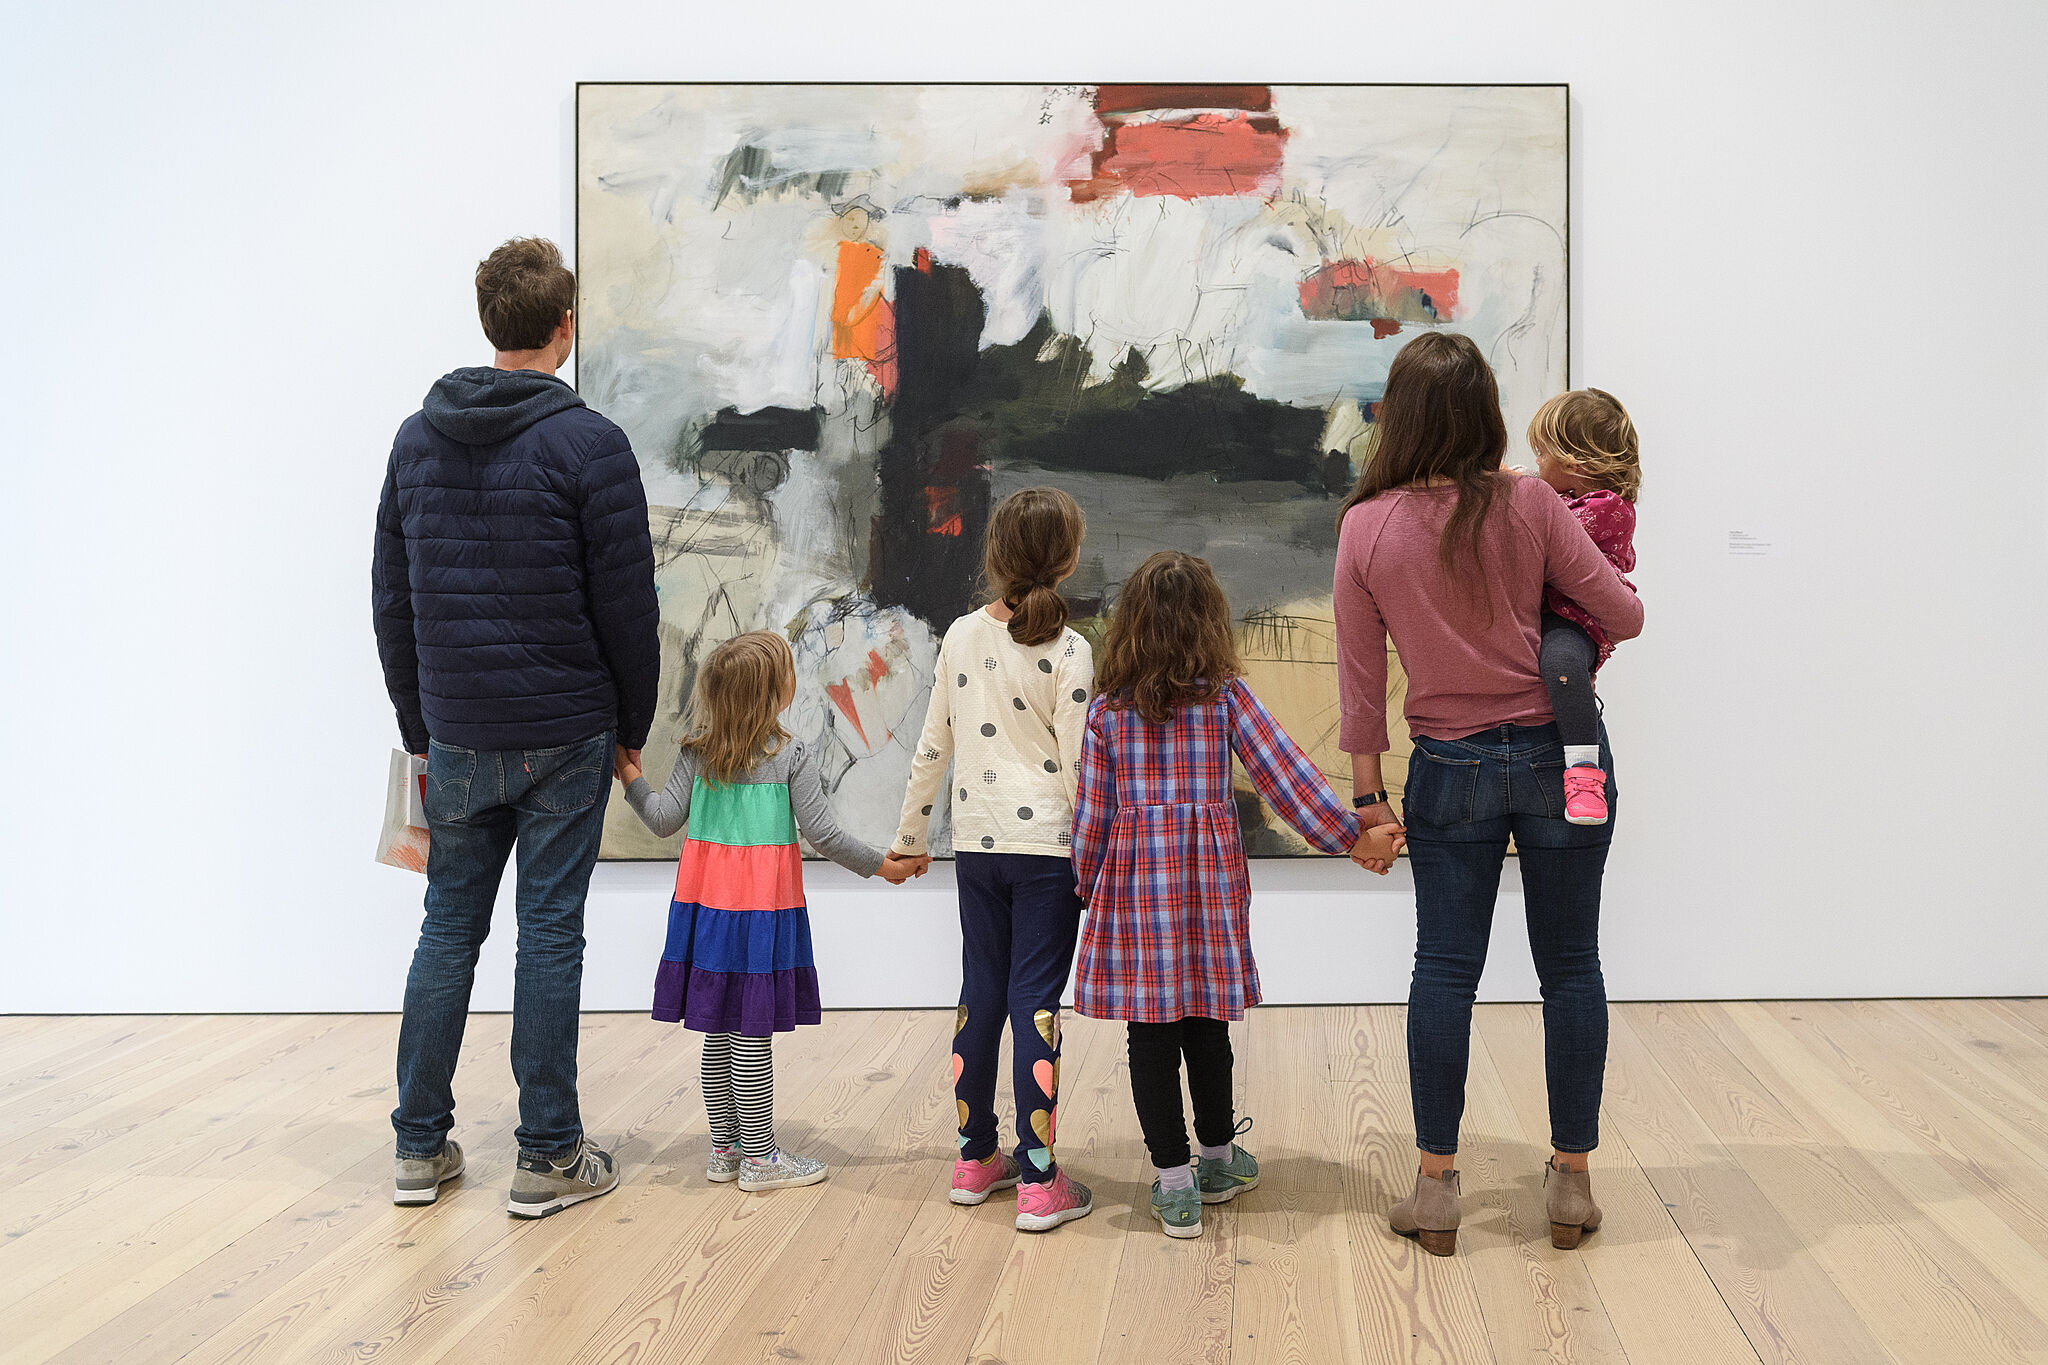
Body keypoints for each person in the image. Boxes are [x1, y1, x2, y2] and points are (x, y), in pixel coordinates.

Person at [1332, 332, 1644, 1256]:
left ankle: (1435, 1189)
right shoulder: (1535, 503)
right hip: (1564, 758)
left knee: (1445, 969)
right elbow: (1624, 612)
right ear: (1487, 414)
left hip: (1450, 768)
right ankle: (1573, 1184)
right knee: (1572, 968)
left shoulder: (1367, 526)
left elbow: (1360, 686)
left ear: (1401, 413)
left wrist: (1367, 801)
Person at [373, 237, 659, 1219]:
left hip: (456, 731)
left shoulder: (418, 439)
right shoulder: (591, 446)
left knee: (447, 930)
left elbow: (391, 601)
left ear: (489, 319)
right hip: (565, 731)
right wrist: (632, 724)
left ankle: (419, 1148)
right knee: (548, 937)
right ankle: (547, 1158)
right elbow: (627, 606)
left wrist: (421, 725)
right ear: (563, 327)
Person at [1072, 551, 1404, 1238]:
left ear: (1130, 624)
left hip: (1136, 895)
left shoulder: (1108, 712)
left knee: (1150, 1036)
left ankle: (1173, 1183)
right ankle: (1219, 1159)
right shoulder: (1224, 695)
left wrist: (1085, 884)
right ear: (1207, 623)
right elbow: (1287, 775)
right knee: (1207, 1025)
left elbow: (1092, 819)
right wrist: (1351, 835)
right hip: (1207, 890)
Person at [619, 632, 926, 1192]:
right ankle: (760, 1160)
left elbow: (663, 819)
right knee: (752, 1037)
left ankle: (725, 1151)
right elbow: (826, 835)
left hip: (706, 915)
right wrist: (884, 867)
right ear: (773, 695)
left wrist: (630, 776)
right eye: (787, 673)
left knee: (718, 1031)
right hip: (762, 916)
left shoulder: (696, 753)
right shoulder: (791, 755)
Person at [888, 487, 1098, 1233]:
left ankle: (976, 1158)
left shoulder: (960, 636)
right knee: (1034, 1002)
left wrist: (910, 838)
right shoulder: (1072, 650)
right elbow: (1080, 768)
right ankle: (1038, 1177)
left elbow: (932, 747)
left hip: (977, 849)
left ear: (994, 553)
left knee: (980, 994)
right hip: (1047, 853)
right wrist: (1097, 859)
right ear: (1067, 559)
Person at [1524, 389, 1642, 825]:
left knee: (1564, 665)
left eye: (1542, 456)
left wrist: (1516, 494)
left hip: (1575, 619)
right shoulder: (1561, 500)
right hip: (1548, 611)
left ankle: (1583, 771)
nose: (1536, 465)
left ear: (1572, 464)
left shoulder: (1609, 508)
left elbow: (1548, 536)